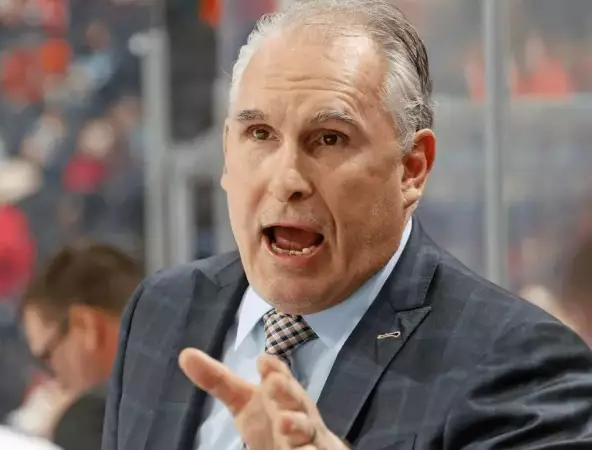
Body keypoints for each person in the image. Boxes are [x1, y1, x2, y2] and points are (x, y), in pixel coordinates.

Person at [101, 1, 592, 449]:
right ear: (227, 153)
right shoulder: (161, 310)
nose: (287, 180)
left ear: (412, 168)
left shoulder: (520, 364)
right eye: (260, 133)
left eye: (330, 138)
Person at [21, 242, 141, 450]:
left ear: (86, 326)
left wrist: (65, 425)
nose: (55, 381)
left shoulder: (90, 424)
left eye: (47, 356)